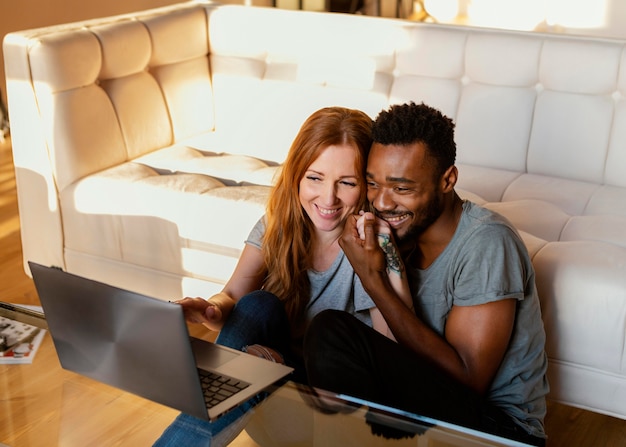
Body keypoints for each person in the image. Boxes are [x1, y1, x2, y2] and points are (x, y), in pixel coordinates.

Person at [154, 106, 412, 446]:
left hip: (335, 410)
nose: (328, 197)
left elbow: (392, 356)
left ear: (365, 185)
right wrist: (208, 309)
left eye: (346, 183)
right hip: (273, 394)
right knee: (258, 305)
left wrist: (381, 262)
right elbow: (232, 296)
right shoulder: (278, 224)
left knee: (253, 360)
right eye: (315, 178)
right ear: (297, 176)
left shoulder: (371, 242)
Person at [303, 102, 550, 446]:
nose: (383, 202)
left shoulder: (488, 242)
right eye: (372, 184)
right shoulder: (394, 237)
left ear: (447, 179)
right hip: (424, 419)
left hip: (497, 432)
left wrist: (373, 279)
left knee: (333, 332)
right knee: (308, 334)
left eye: (402, 189)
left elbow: (467, 379)